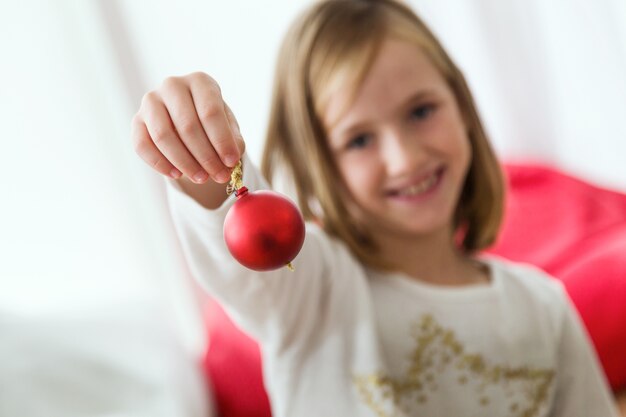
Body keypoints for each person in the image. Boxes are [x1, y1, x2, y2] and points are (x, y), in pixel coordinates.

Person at [131, 1, 619, 416]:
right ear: (318, 163)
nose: (404, 158)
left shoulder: (544, 309)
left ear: (462, 104)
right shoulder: (313, 291)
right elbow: (236, 248)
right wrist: (205, 156)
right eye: (359, 139)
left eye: (421, 111)